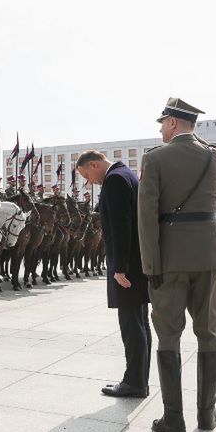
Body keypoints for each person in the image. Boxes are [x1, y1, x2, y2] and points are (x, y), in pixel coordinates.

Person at [138, 97, 216, 432]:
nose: (161, 129)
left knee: (168, 335)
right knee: (209, 334)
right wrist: (207, 148)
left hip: (169, 259)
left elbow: (146, 216)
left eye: (163, 123)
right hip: (209, 256)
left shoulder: (155, 159)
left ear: (174, 123)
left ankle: (173, 418)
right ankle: (206, 415)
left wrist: (150, 264)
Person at [78, 150, 151, 398]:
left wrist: (119, 268)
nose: (89, 181)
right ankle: (139, 380)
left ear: (94, 164)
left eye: (86, 174)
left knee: (131, 325)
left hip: (127, 267)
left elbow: (121, 227)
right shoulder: (127, 174)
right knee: (140, 324)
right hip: (137, 263)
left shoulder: (115, 180)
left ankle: (134, 383)